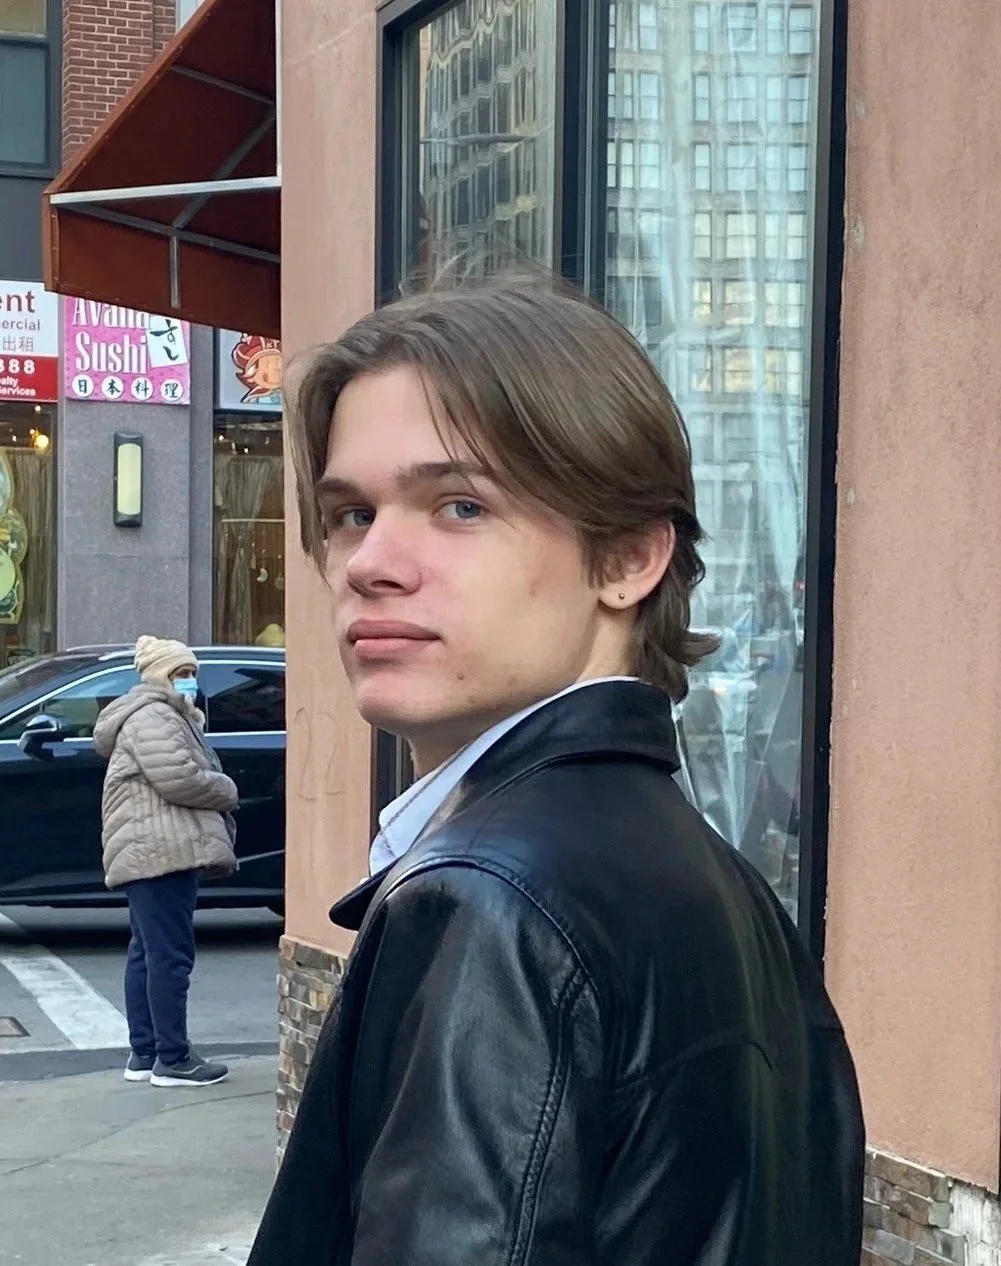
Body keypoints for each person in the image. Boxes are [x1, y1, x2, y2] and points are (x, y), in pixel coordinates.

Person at [247, 276, 864, 1265]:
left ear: (626, 558)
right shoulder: (718, 883)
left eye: (456, 505)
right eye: (350, 514)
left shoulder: (491, 900)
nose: (371, 562)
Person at [94, 635, 237, 1088]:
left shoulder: (158, 715)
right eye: (181, 674)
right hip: (162, 850)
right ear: (159, 677)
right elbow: (179, 777)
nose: (190, 682)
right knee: (169, 957)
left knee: (148, 953)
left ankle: (146, 1052)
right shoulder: (154, 716)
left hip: (151, 849)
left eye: (193, 673)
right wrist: (226, 788)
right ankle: (173, 1059)